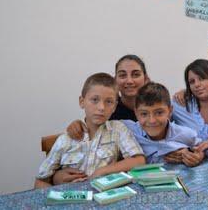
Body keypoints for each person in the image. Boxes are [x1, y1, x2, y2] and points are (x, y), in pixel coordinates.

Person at [34, 73, 145, 189]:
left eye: (109, 102)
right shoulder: (65, 140)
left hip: (105, 197)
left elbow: (138, 160)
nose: (101, 107)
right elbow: (40, 181)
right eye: (95, 100)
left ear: (114, 107)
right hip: (73, 198)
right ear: (82, 101)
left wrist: (103, 171)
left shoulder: (118, 130)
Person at [53, 54, 149, 185]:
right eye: (122, 75)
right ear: (115, 80)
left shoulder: (155, 105)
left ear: (146, 78)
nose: (129, 81)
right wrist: (56, 177)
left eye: (136, 74)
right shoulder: (109, 113)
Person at [123, 82, 204, 167]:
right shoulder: (127, 130)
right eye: (144, 114)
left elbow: (201, 148)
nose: (152, 120)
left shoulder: (186, 134)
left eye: (159, 112)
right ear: (136, 113)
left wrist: (198, 156)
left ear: (170, 111)